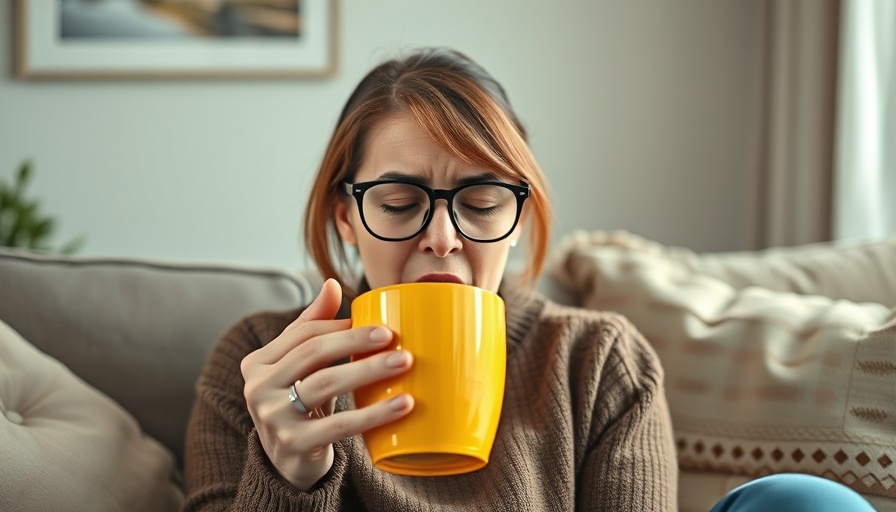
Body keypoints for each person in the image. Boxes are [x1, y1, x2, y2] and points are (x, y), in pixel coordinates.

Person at [183, 47, 877, 511]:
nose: (443, 237)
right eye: (399, 204)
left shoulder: (598, 361)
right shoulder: (262, 367)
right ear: (345, 215)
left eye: (481, 203)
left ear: (517, 220)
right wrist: (287, 476)